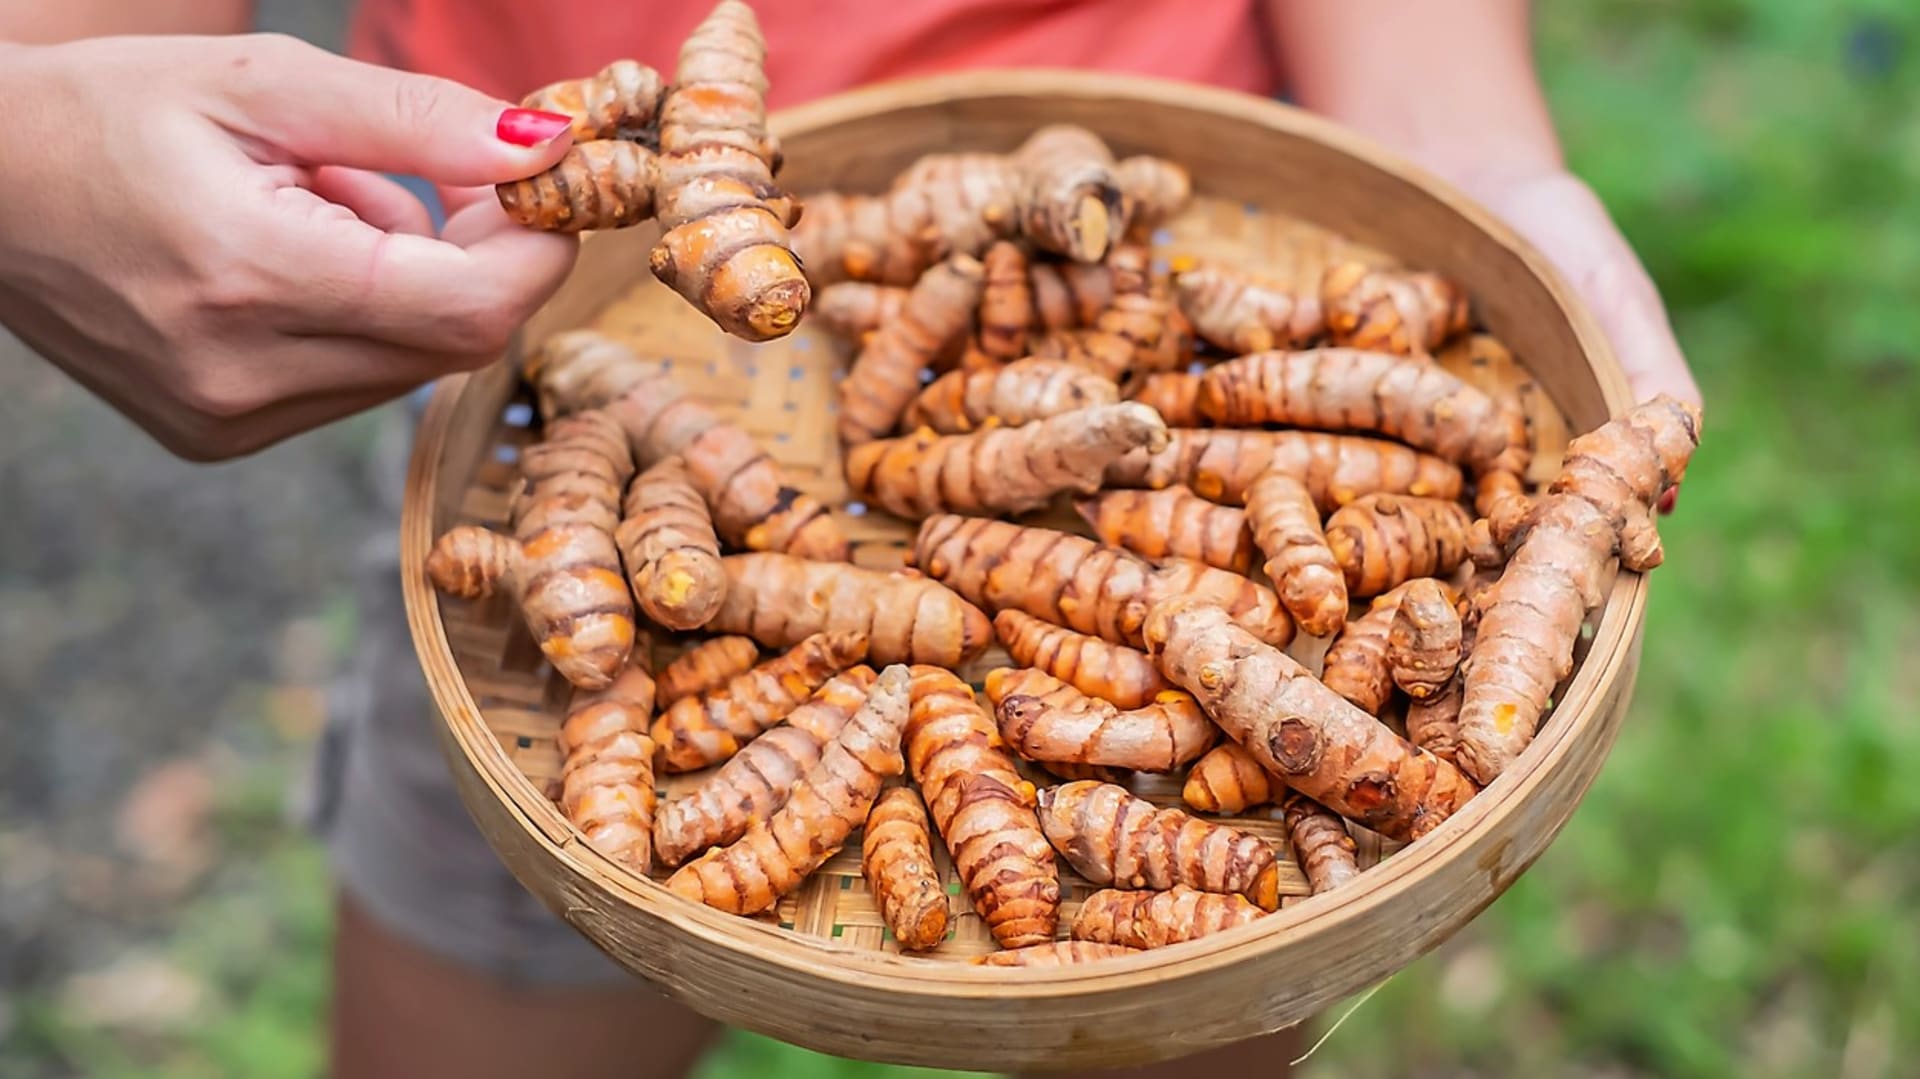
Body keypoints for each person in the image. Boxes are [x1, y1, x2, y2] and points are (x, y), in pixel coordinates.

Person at [1, 4, 1702, 1078]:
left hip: (1151, 165)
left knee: (1171, 986)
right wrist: (33, 152)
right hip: (514, 327)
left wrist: (1477, 163)